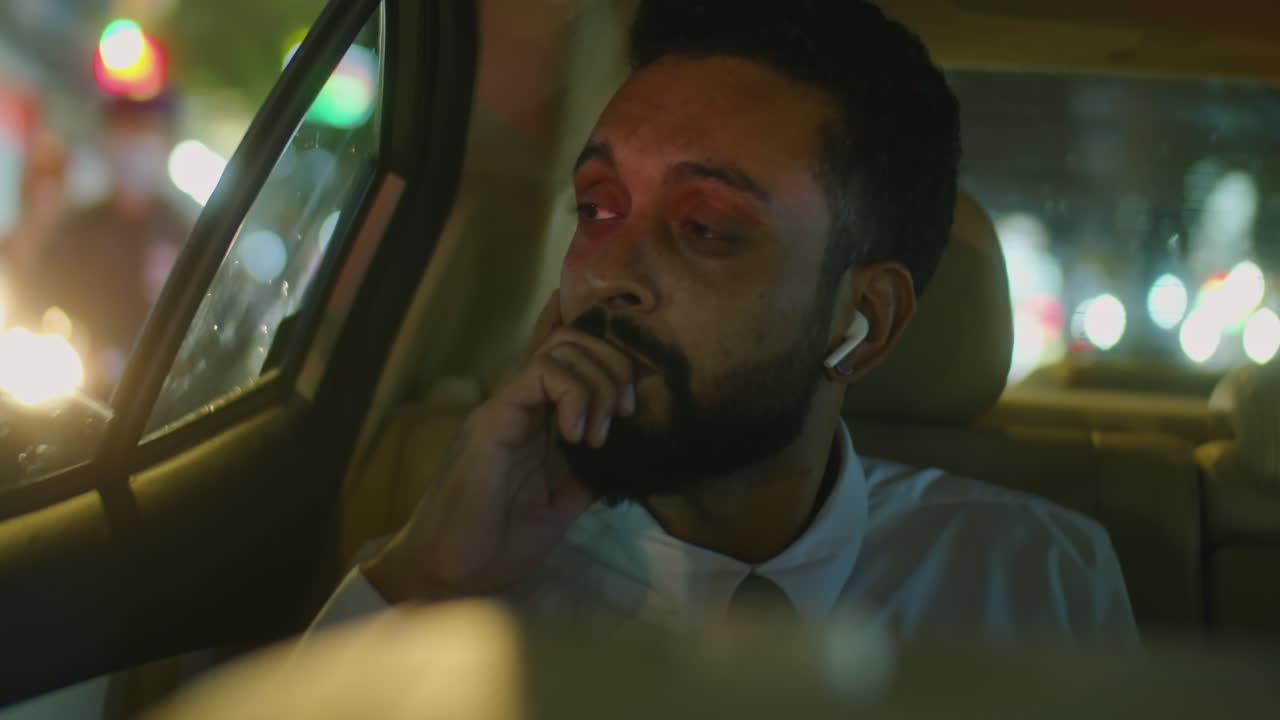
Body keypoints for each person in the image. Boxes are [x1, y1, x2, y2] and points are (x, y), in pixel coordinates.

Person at [314, 0, 1138, 643]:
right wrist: (426, 583)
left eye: (704, 227)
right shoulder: (452, 571)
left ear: (866, 320)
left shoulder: (1036, 579)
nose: (605, 274)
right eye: (598, 207)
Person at [24, 91, 192, 397]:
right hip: (63, 389)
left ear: (164, 141)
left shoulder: (183, 240)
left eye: (143, 131)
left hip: (140, 403)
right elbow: (36, 295)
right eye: (122, 129)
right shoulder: (77, 228)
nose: (131, 144)